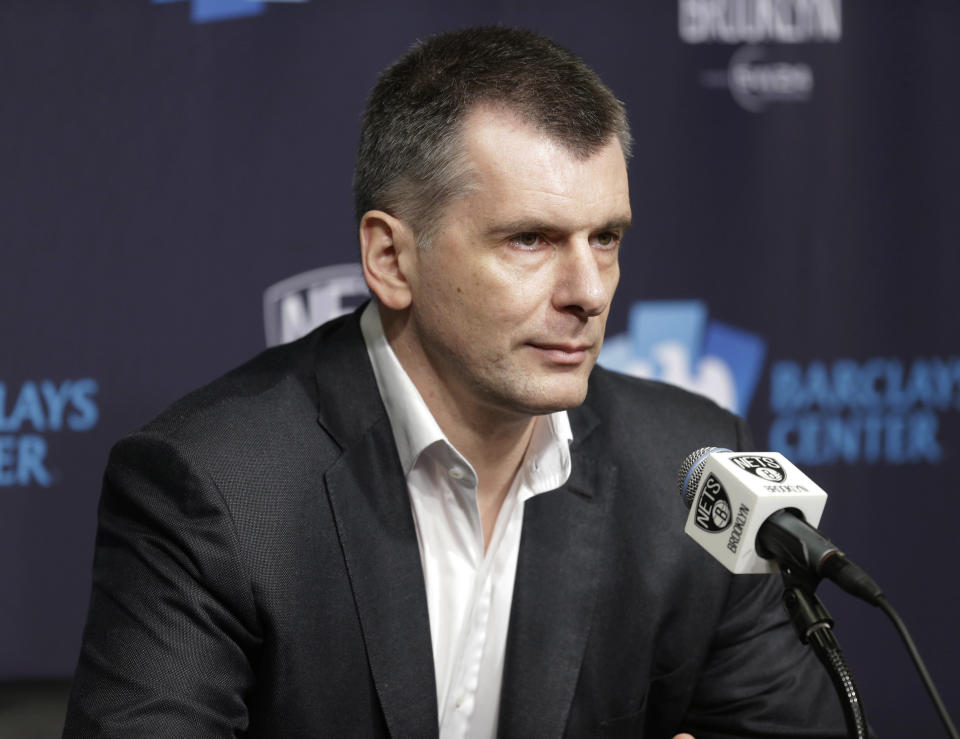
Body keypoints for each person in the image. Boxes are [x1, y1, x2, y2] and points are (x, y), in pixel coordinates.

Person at [64, 27, 848, 738]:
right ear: (391, 260)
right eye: (531, 239)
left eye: (606, 238)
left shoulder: (694, 475)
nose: (590, 290)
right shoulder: (216, 490)